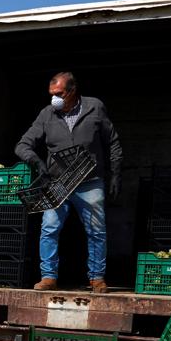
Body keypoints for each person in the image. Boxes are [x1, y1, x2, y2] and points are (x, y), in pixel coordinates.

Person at [15, 72, 122, 293]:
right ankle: (48, 277)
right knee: (49, 229)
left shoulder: (95, 108)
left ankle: (97, 278)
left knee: (96, 231)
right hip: (58, 183)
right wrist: (37, 162)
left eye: (60, 94)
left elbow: (112, 142)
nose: (55, 98)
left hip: (89, 181)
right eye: (52, 94)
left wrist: (115, 174)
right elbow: (22, 145)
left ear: (73, 91)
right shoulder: (47, 114)